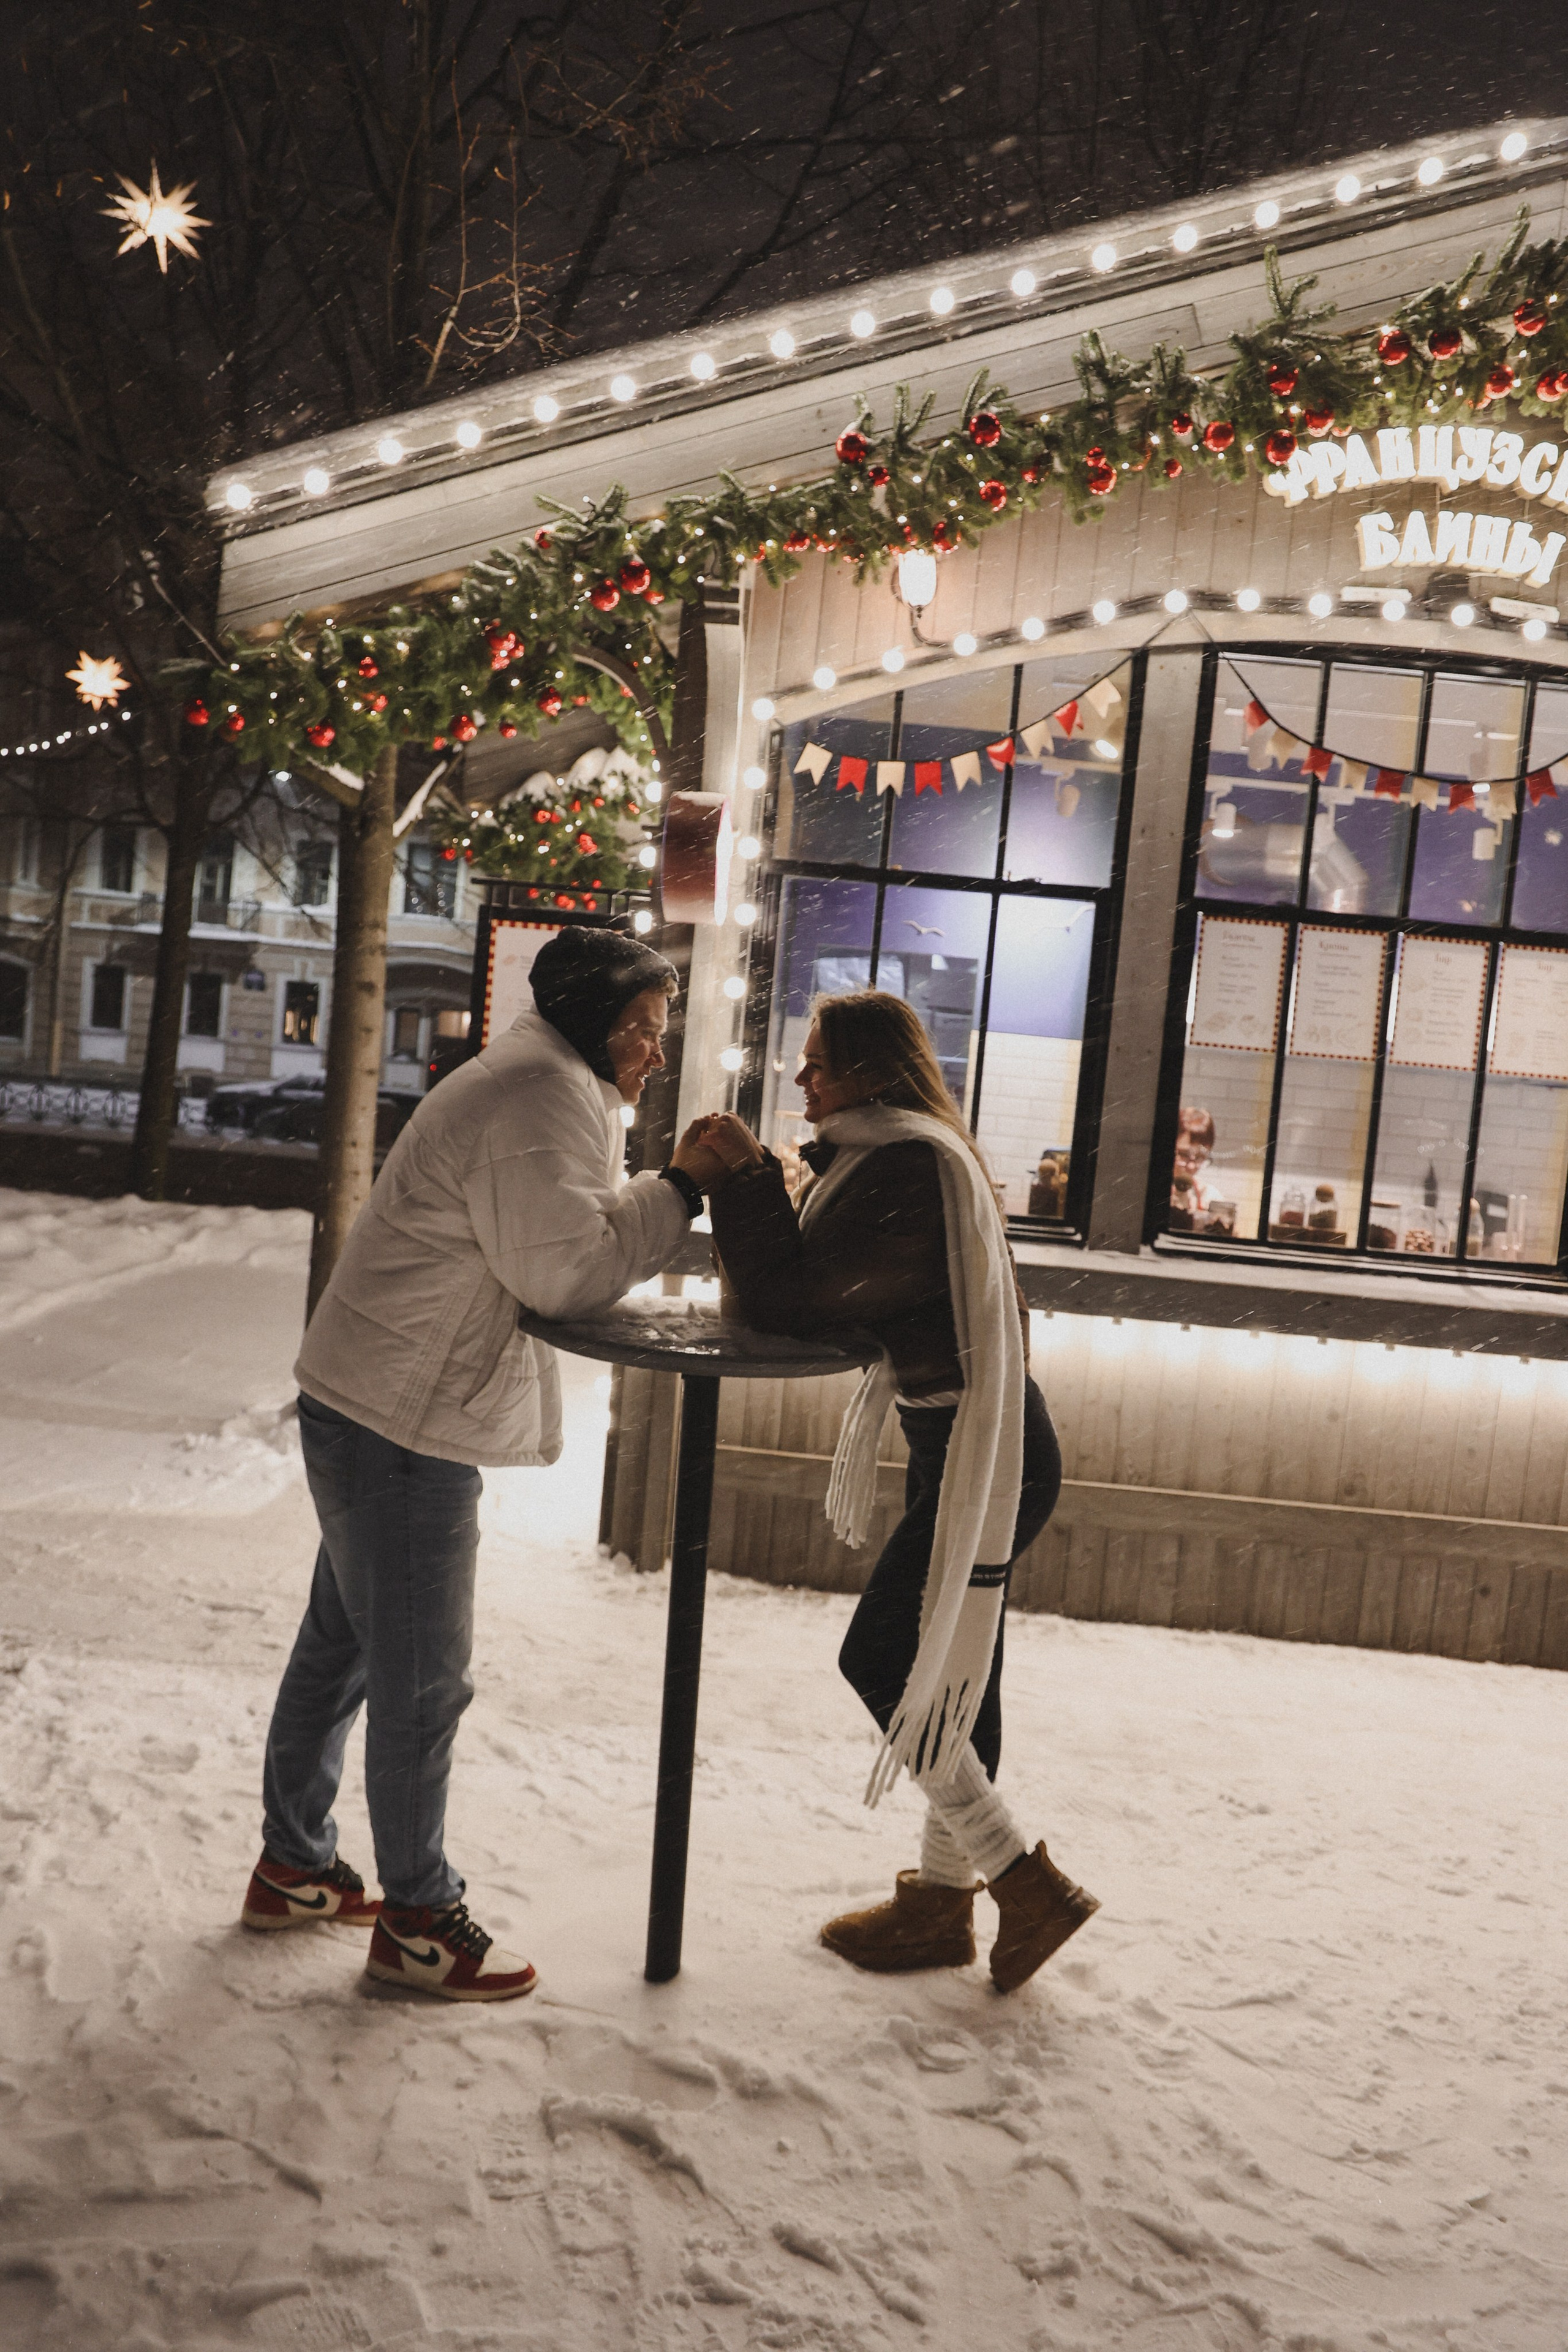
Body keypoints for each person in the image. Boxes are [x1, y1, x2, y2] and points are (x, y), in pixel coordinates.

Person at [242, 923, 716, 2002]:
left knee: (347, 1648)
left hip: (368, 1393)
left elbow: (560, 1232)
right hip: (403, 1419)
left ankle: (295, 1866)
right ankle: (417, 1920)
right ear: (594, 1019)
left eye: (660, 1028)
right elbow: (564, 1270)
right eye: (641, 1027)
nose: (653, 1048)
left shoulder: (542, 1078)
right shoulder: (538, 1092)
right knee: (421, 1679)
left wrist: (652, 1177)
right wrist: (682, 1186)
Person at [696, 991, 1098, 1992]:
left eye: (819, 1064)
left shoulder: (909, 1166)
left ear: (873, 1072)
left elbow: (786, 1303)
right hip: (967, 1437)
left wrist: (747, 1179)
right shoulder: (896, 1157)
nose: (801, 1079)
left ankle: (1018, 1881)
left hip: (986, 1446)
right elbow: (809, 1294)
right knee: (965, 1671)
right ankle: (936, 1907)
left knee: (883, 1658)